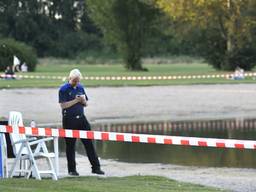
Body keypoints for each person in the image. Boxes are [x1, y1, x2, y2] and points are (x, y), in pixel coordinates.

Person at [58, 69, 104, 176]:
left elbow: (86, 104)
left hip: (81, 119)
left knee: (89, 143)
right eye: (74, 81)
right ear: (70, 78)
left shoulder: (80, 87)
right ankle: (72, 169)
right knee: (70, 145)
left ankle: (96, 167)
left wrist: (82, 101)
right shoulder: (63, 89)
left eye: (78, 81)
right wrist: (76, 100)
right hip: (69, 119)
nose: (76, 83)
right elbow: (63, 105)